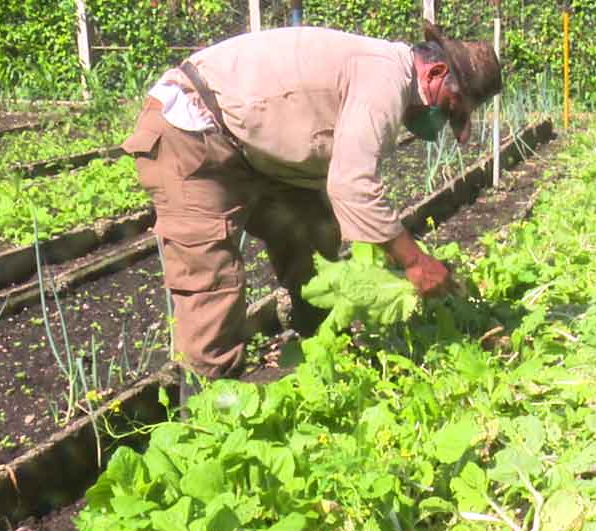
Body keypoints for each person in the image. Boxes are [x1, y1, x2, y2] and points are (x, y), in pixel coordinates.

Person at [120, 21, 502, 388]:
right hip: (191, 132)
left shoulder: (387, 74)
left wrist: (390, 252)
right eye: (451, 109)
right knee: (211, 282)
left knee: (313, 230)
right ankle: (204, 421)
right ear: (434, 73)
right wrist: (416, 262)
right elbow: (352, 184)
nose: (443, 122)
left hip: (252, 149)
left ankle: (324, 353)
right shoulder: (387, 77)